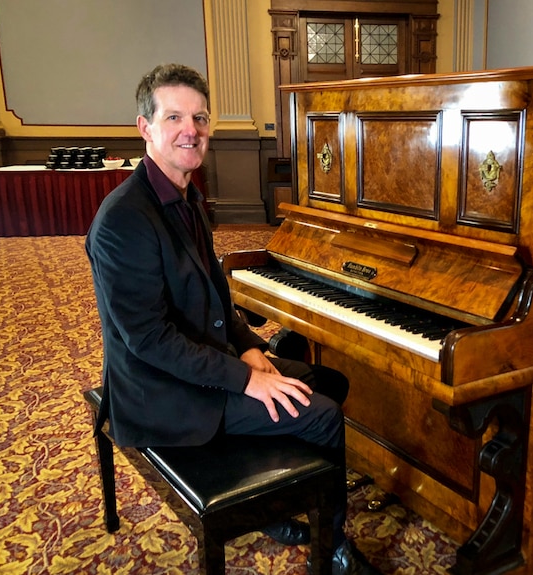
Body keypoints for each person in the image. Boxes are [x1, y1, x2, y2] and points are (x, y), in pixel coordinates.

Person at [85, 63, 379, 575]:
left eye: (199, 117)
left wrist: (250, 350)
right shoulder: (122, 220)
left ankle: (276, 494)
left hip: (204, 366)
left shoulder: (189, 197)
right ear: (144, 127)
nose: (190, 130)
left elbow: (219, 301)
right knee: (324, 413)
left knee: (327, 378)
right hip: (162, 392)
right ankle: (331, 549)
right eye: (174, 116)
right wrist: (246, 380)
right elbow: (149, 341)